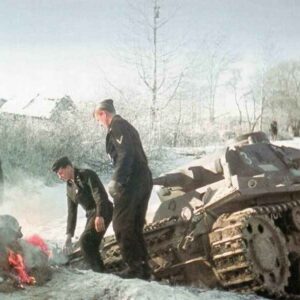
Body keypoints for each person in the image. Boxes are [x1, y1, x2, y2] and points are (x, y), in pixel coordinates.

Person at [94, 99, 153, 280]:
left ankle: (134, 267)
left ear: (103, 113)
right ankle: (143, 267)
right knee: (135, 225)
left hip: (131, 180)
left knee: (121, 223)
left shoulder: (117, 126)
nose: (99, 123)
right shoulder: (127, 126)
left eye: (98, 119)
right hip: (143, 178)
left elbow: (126, 154)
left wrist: (117, 180)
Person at [52, 156, 113, 273]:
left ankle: (100, 273)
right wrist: (68, 236)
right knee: (87, 244)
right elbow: (71, 212)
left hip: (103, 209)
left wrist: (100, 215)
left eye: (61, 173)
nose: (60, 177)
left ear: (69, 167)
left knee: (86, 240)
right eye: (58, 175)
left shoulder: (87, 175)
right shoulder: (69, 187)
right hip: (91, 215)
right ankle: (100, 270)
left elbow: (100, 194)